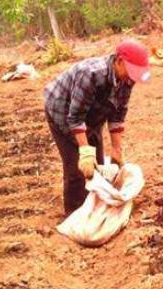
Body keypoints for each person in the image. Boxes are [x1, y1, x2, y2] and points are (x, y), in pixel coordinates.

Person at [44, 39, 150, 215]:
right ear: (119, 61)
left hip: (93, 113)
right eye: (132, 72)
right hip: (62, 110)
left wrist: (117, 149)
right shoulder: (92, 74)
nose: (133, 78)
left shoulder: (127, 80)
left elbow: (118, 114)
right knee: (77, 170)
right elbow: (76, 117)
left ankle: (95, 206)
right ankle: (75, 215)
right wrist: (85, 151)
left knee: (98, 167)